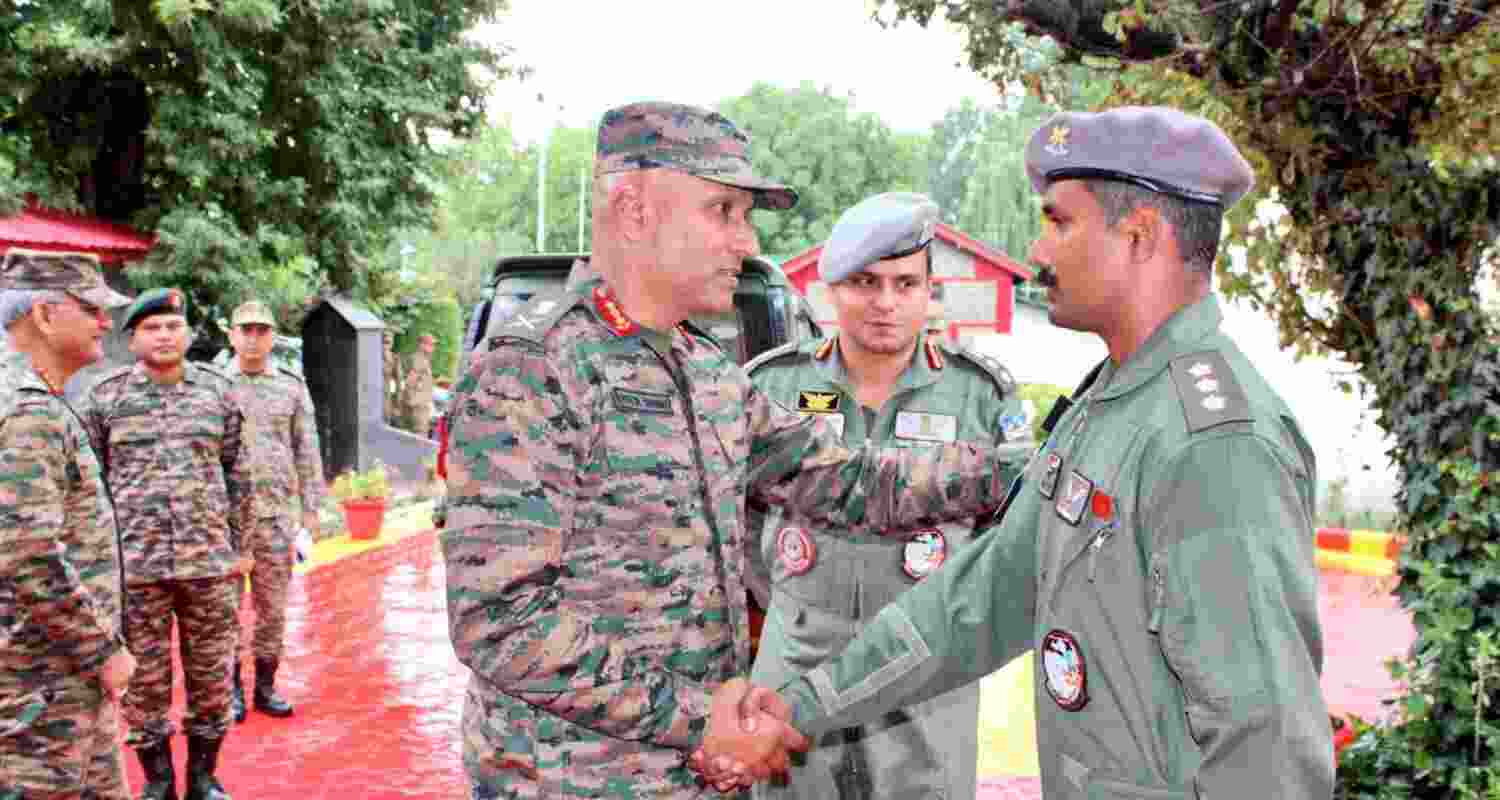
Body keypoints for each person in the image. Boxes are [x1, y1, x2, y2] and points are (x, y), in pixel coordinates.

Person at [699, 106, 1336, 800]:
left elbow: (1266, 747)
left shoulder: (1213, 443)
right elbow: (982, 595)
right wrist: (799, 705)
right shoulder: (1108, 405)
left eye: (1058, 222)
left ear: (1140, 236)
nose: (1037, 249)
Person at [440, 100, 1030, 800]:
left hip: (693, 778)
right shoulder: (534, 369)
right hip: (566, 781)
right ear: (632, 209)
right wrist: (701, 719)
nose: (745, 241)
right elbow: (500, 620)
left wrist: (1023, 470)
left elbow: (843, 481)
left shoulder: (707, 372)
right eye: (723, 211)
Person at [742, 192, 1024, 800]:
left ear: (930, 291)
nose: (886, 303)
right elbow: (737, 529)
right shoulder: (774, 384)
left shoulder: (980, 395)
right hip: (796, 668)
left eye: (905, 283)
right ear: (832, 289)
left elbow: (1009, 541)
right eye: (866, 282)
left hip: (926, 680)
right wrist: (791, 607)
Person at [82, 288, 255, 800]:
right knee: (145, 684)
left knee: (211, 677)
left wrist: (242, 547)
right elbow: (90, 488)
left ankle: (204, 777)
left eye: (172, 327)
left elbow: (238, 475)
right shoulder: (105, 398)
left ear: (187, 334)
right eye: (152, 328)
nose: (164, 336)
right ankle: (159, 780)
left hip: (207, 564)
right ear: (132, 338)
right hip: (136, 569)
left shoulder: (218, 393)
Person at [0, 249, 136, 800]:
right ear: (45, 315)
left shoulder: (37, 400)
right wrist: (103, 649)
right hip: (40, 687)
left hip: (65, 678)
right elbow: (27, 551)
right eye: (92, 308)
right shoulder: (25, 409)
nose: (106, 322)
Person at [222, 299, 323, 722]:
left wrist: (312, 506)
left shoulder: (290, 385)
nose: (252, 337)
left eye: (261, 330)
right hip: (223, 522)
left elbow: (307, 445)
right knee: (224, 612)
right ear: (231, 334)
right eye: (245, 329)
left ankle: (265, 685)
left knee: (273, 610)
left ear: (272, 337)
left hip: (275, 518)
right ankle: (229, 690)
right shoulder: (212, 385)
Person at [401, 333, 435, 436]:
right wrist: (412, 401)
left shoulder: (423, 360)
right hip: (418, 407)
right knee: (418, 437)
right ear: (421, 345)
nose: (433, 348)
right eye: (430, 344)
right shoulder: (419, 360)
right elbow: (410, 381)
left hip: (419, 405)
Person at [383, 330, 402, 425]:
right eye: (385, 340)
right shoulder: (371, 355)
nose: (387, 343)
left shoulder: (395, 358)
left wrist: (397, 405)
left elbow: (399, 384)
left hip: (385, 400)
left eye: (389, 341)